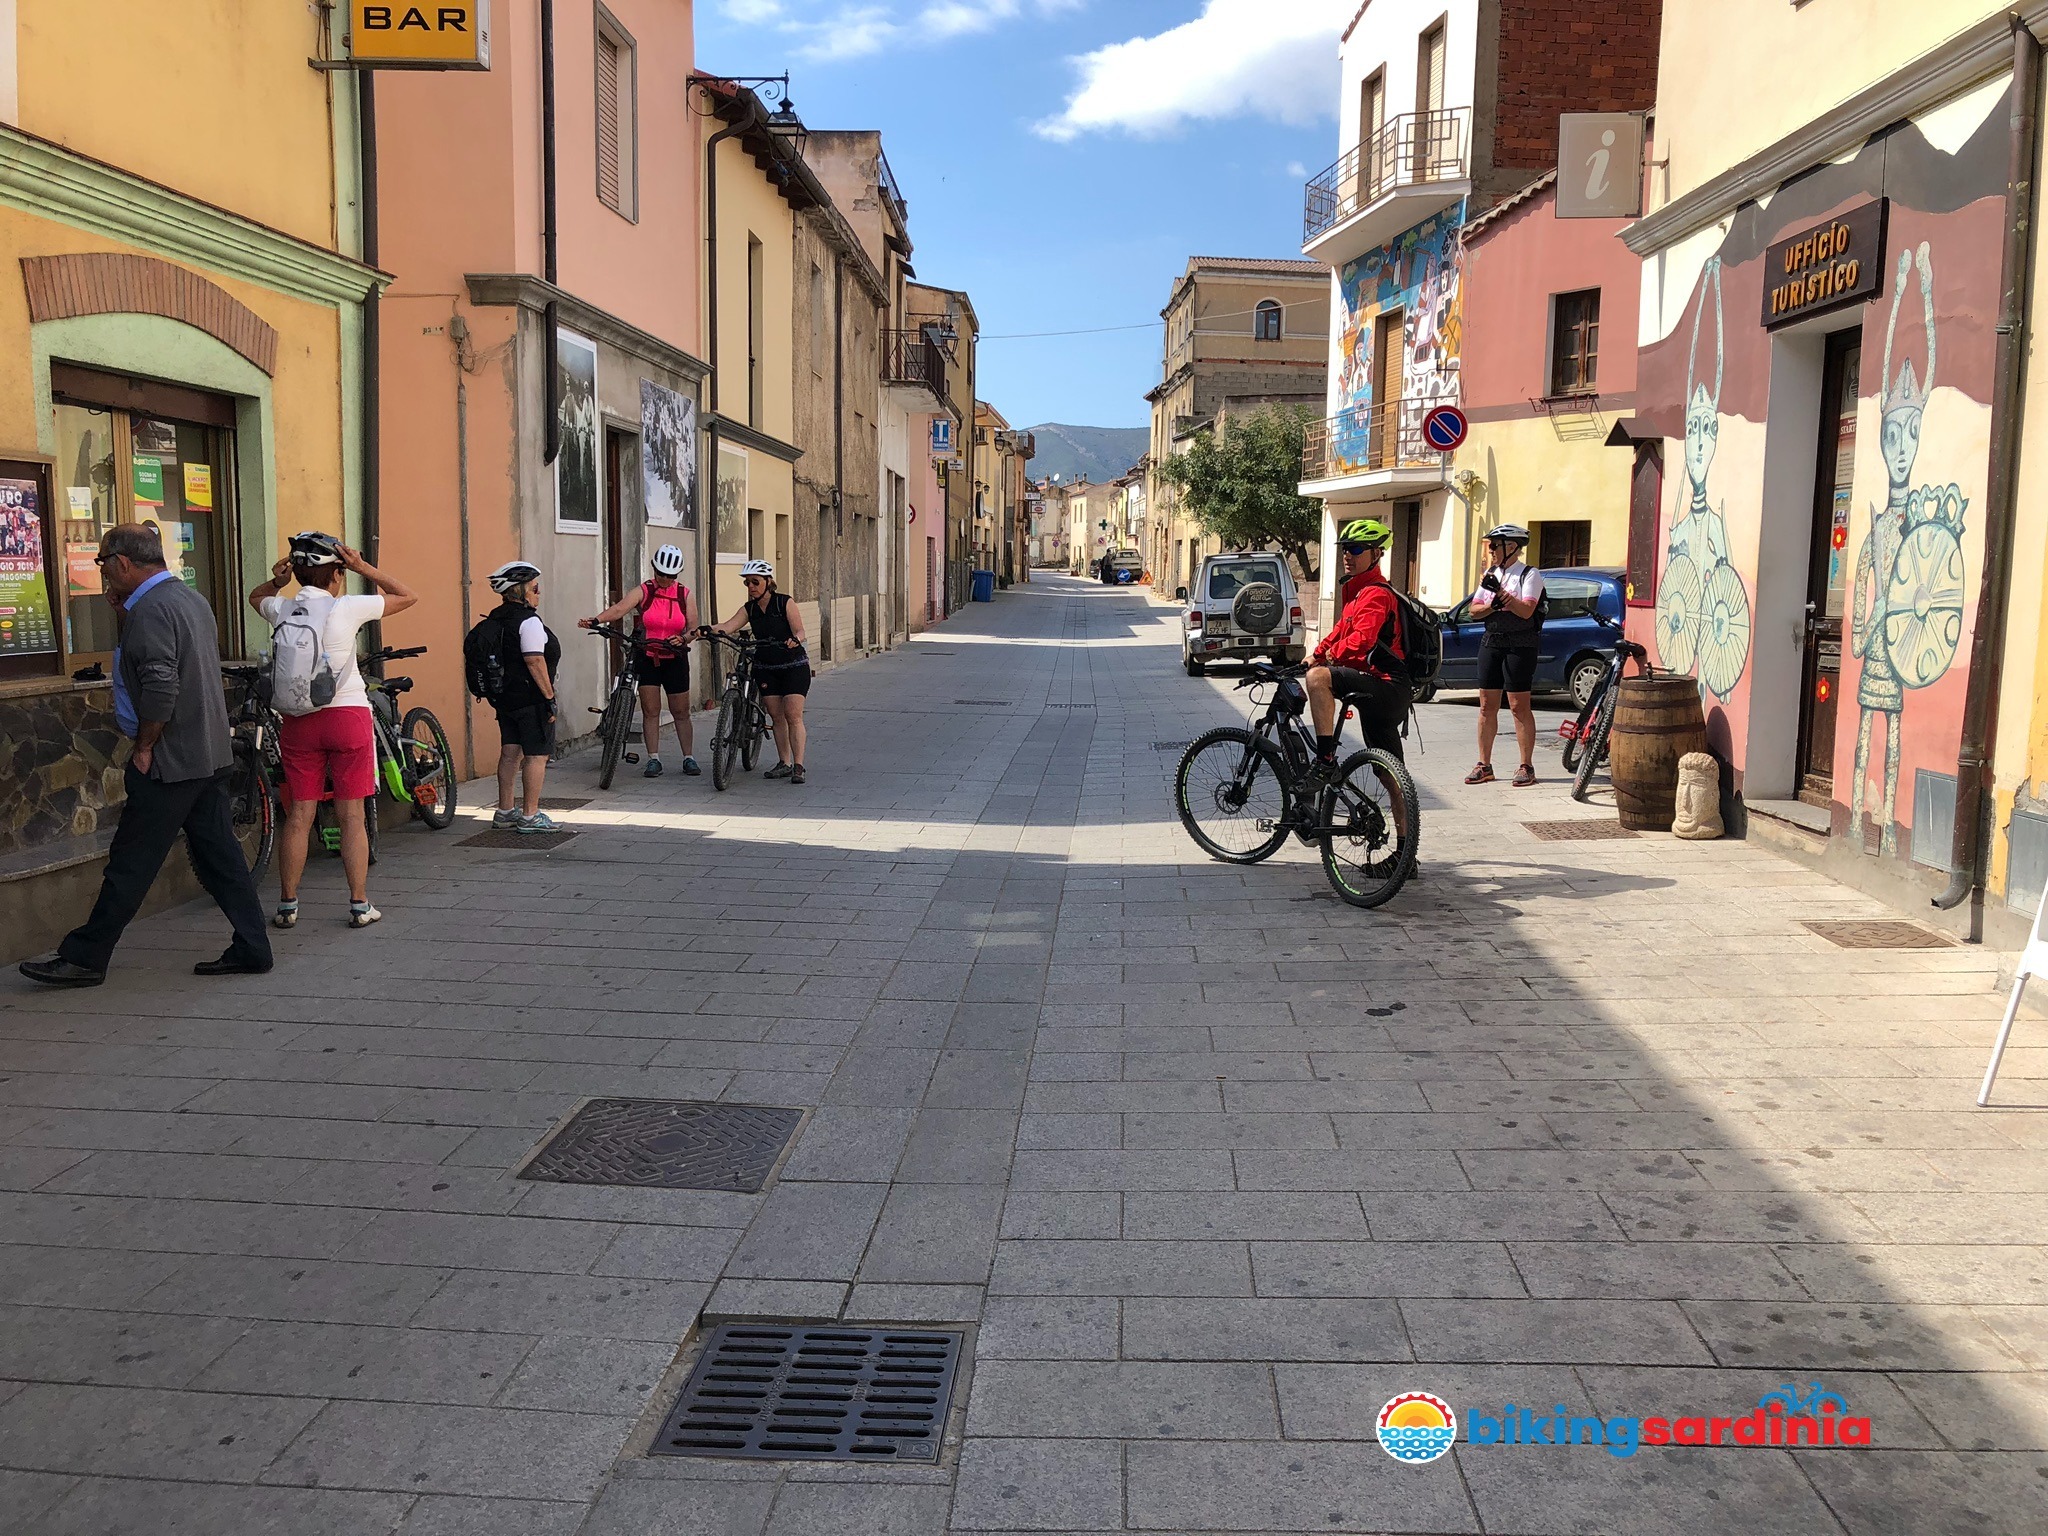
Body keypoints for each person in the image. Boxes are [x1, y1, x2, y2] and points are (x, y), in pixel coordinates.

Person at [19, 524, 272, 986]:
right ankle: (253, 945)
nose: (103, 575)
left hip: (171, 761)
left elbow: (160, 684)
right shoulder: (186, 599)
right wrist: (125, 612)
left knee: (131, 861)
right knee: (221, 857)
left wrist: (146, 746)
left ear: (123, 563)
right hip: (206, 754)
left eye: (103, 564)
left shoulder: (152, 611)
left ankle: (86, 957)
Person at [249, 531, 417, 930]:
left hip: (298, 720)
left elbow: (255, 598)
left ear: (299, 572)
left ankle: (287, 904)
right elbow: (408, 596)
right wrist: (364, 566)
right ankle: (359, 904)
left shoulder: (281, 608)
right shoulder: (347, 608)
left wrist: (277, 580)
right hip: (347, 716)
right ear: (337, 573)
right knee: (351, 815)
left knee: (300, 814)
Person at [579, 543, 700, 778]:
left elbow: (694, 627)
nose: (664, 579)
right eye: (660, 573)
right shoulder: (645, 590)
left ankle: (689, 758)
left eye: (670, 575)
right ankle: (653, 759)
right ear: (654, 569)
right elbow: (620, 609)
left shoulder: (684, 594)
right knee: (651, 710)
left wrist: (684, 638)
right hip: (648, 655)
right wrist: (596, 620)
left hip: (675, 658)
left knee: (681, 712)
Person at [1303, 518, 1409, 775]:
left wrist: (1328, 657)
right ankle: (1404, 816)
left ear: (1376, 553)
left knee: (1317, 679)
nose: (1348, 555)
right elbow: (1340, 631)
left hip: (1387, 684)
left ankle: (1325, 759)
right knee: (1389, 772)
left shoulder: (1376, 594)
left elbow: (1363, 639)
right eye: (1345, 548)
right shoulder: (1357, 592)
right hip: (1380, 684)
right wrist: (1315, 655)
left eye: (1357, 548)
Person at [705, 558, 811, 784]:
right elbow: (729, 625)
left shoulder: (784, 602)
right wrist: (706, 630)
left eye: (755, 582)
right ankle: (784, 762)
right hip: (765, 666)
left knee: (793, 714)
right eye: (747, 583)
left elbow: (800, 630)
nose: (751, 587)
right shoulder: (749, 609)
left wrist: (795, 639)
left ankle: (799, 765)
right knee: (776, 715)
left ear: (768, 582)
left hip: (793, 665)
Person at [485, 561, 563, 832]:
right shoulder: (528, 621)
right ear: (522, 591)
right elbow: (534, 660)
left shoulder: (496, 617)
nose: (538, 593)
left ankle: (505, 811)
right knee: (536, 756)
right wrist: (549, 696)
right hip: (531, 698)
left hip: (504, 698)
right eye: (535, 588)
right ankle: (530, 815)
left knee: (509, 753)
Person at [1465, 523, 1546, 787]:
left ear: (1511, 547)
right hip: (1492, 641)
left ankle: (1526, 765)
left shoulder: (1529, 575)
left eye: (1494, 545)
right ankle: (1484, 764)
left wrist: (1503, 597)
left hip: (1520, 644)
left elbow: (1526, 612)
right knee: (1487, 705)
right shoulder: (1491, 572)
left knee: (1518, 705)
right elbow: (1474, 611)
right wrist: (1492, 604)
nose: (1490, 550)